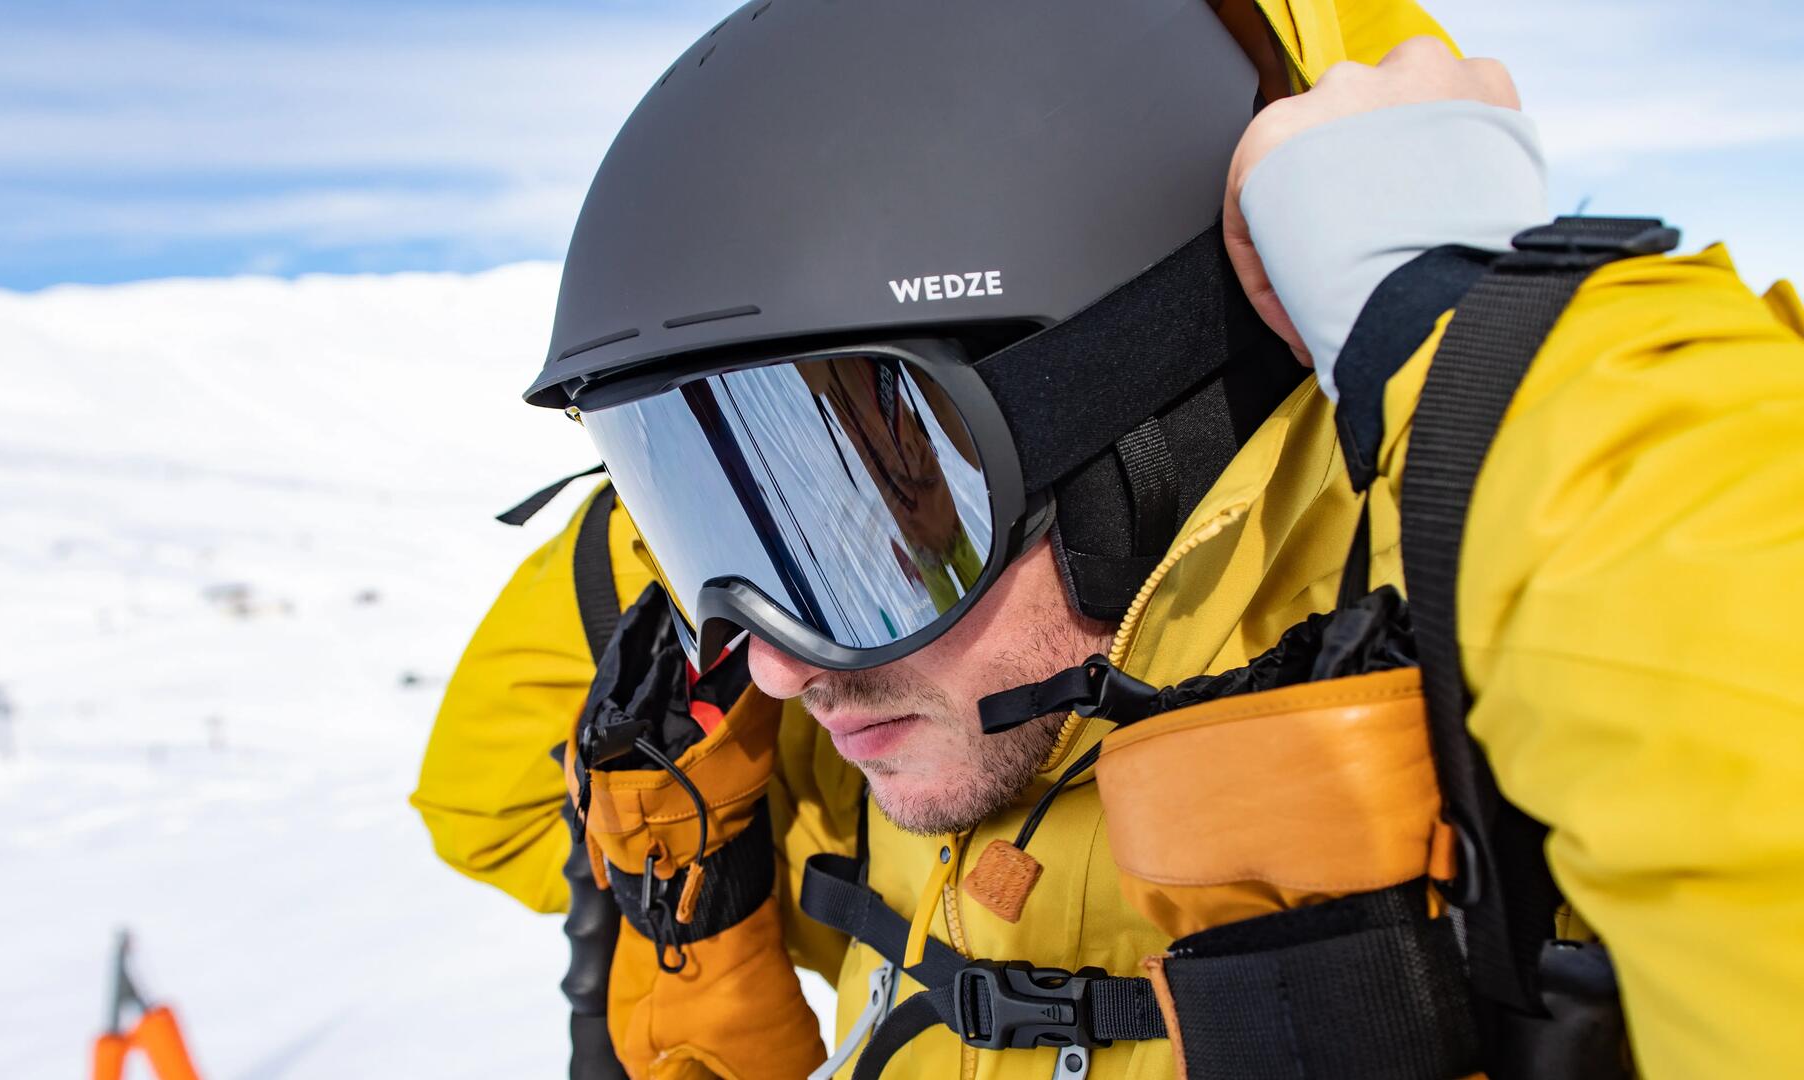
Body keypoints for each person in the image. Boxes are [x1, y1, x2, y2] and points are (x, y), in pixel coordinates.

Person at [412, 2, 1804, 1077]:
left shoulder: (1509, 773)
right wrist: (725, 504)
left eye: (882, 523)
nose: (778, 675)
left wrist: (1477, 355)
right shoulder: (886, 785)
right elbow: (499, 810)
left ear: (1155, 430)